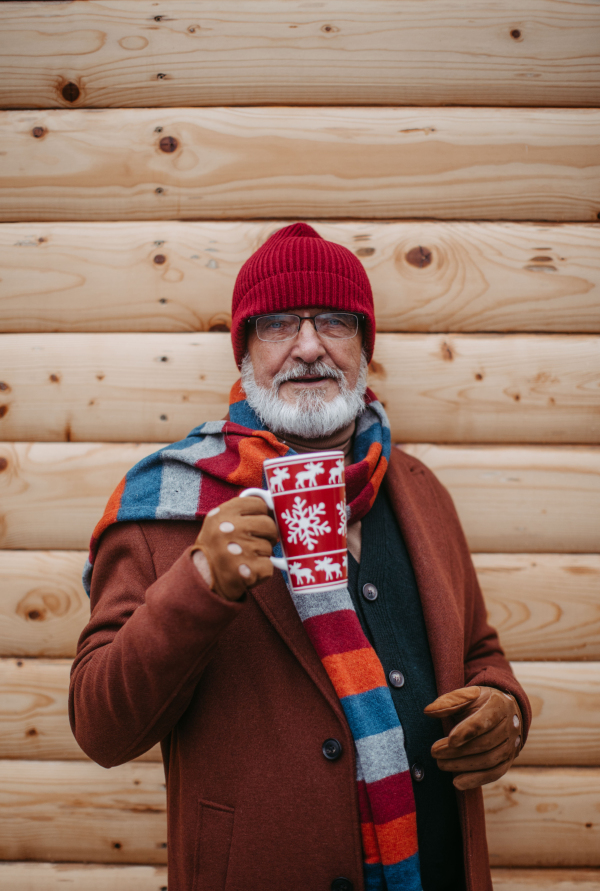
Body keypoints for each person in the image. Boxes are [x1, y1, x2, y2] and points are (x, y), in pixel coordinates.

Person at [70, 223, 531, 891]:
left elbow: (480, 648)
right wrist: (198, 582)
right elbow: (100, 727)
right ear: (244, 353)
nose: (309, 346)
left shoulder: (417, 488)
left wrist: (504, 707)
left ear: (365, 348)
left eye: (335, 323)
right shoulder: (162, 506)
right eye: (279, 323)